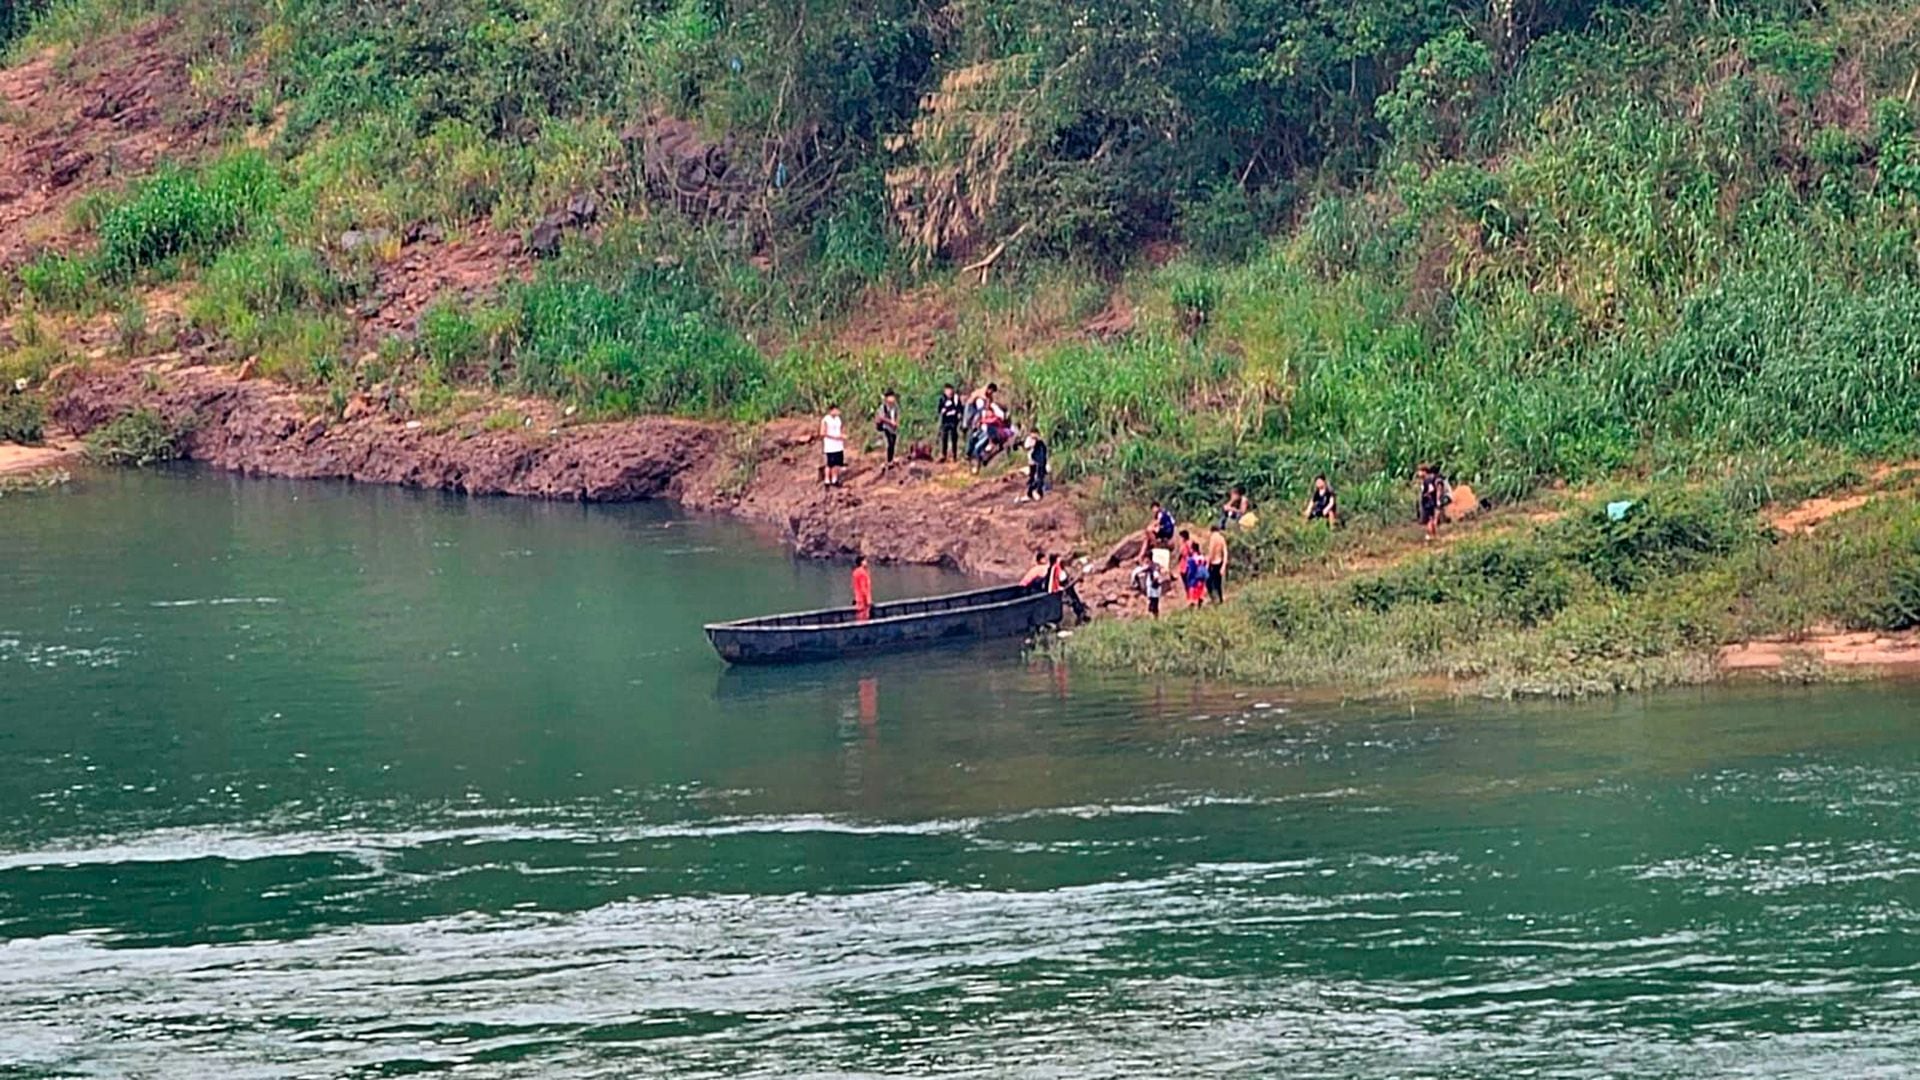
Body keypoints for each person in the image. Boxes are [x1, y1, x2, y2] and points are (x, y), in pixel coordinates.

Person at [1417, 464, 1451, 541]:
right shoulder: (1433, 479)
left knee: (1430, 520)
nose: (1418, 473)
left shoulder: (1429, 479)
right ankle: (1433, 535)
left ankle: (1430, 535)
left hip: (1429, 502)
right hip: (1431, 501)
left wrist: (1428, 495)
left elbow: (1434, 489)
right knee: (1432, 519)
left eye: (1420, 471)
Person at [1178, 529, 1208, 607]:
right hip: (1187, 567)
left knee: (1189, 585)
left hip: (1185, 567)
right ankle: (1194, 598)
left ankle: (1190, 599)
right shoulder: (1189, 544)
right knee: (1193, 585)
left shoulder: (1185, 545)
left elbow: (1184, 555)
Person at [937, 383, 964, 462]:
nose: (949, 392)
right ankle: (943, 455)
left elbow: (960, 408)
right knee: (944, 438)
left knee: (954, 438)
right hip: (945, 421)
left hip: (953, 420)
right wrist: (944, 409)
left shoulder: (956, 398)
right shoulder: (942, 398)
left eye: (950, 390)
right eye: (947, 391)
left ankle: (954, 456)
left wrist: (959, 413)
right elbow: (939, 410)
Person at [820, 405, 846, 487]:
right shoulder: (826, 420)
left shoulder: (838, 419)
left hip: (838, 445)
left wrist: (842, 436)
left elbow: (840, 430)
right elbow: (822, 433)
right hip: (830, 445)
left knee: (837, 463)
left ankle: (835, 479)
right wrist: (834, 437)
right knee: (830, 463)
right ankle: (827, 480)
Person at [874, 390, 900, 468]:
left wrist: (896, 422)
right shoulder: (883, 407)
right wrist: (890, 422)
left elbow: (897, 414)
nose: (893, 398)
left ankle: (890, 460)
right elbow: (881, 417)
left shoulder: (895, 406)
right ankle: (888, 461)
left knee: (893, 443)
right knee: (889, 442)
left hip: (893, 428)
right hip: (886, 427)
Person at [1024, 431, 1049, 501]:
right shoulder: (1030, 440)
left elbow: (1044, 453)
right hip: (1034, 461)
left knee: (1039, 477)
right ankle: (1033, 492)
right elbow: (1026, 447)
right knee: (1035, 476)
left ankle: (1035, 492)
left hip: (1039, 462)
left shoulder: (1040, 443)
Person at [1205, 526, 1228, 603]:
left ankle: (1213, 598)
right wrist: (1224, 565)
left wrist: (1207, 564)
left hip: (1213, 563)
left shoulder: (1213, 538)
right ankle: (1220, 599)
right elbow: (1225, 552)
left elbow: (1211, 552)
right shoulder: (1222, 538)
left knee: (1209, 582)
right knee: (1218, 583)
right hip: (1220, 562)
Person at [851, 555, 873, 621]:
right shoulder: (862, 572)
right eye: (865, 561)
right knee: (864, 617)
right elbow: (863, 588)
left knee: (859, 617)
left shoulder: (855, 572)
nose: (866, 562)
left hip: (858, 598)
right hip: (863, 600)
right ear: (861, 562)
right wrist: (868, 600)